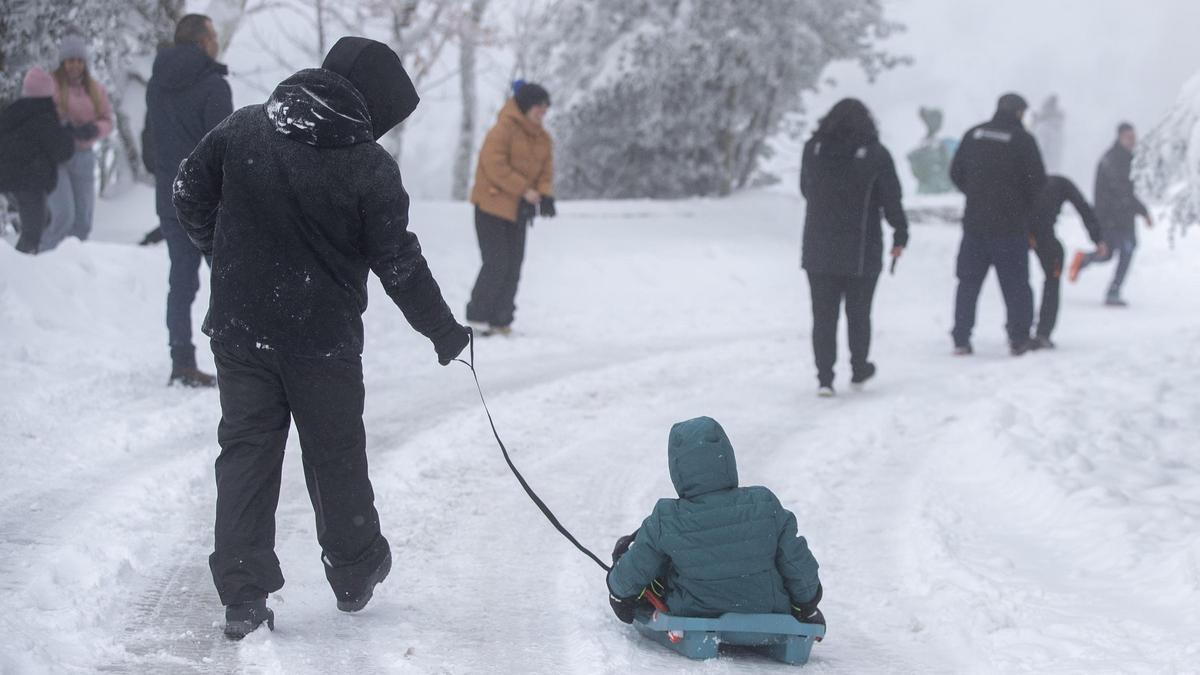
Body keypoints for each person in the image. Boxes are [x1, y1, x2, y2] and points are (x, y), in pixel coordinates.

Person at [173, 36, 471, 639]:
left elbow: (187, 191)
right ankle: (354, 568)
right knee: (334, 454)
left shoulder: (244, 129)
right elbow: (400, 265)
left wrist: (225, 260)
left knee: (247, 454)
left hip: (240, 329)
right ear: (373, 105)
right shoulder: (369, 168)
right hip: (321, 343)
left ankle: (243, 595)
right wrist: (444, 332)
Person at [606, 417, 824, 629]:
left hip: (692, 613)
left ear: (677, 468)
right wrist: (807, 606)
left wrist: (618, 595)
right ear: (727, 458)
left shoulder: (668, 517)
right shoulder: (764, 504)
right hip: (767, 609)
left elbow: (631, 573)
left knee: (658, 563)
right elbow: (797, 562)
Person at [801, 98, 908, 397]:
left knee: (823, 316)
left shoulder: (814, 149)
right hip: (862, 249)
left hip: (818, 248)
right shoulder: (875, 154)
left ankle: (824, 378)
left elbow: (805, 189)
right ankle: (859, 369)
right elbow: (891, 200)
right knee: (859, 314)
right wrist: (900, 235)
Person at [146, 14, 233, 387]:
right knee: (230, 279)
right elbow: (224, 148)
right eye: (213, 35)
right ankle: (237, 359)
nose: (216, 42)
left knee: (180, 280)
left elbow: (150, 142)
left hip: (170, 194)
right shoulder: (214, 85)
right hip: (210, 200)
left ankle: (181, 361)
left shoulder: (156, 84)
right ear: (202, 41)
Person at [949, 93, 1046, 356]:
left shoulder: (974, 134)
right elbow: (1037, 182)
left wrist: (976, 193)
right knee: (1016, 286)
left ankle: (961, 337)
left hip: (975, 225)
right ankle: (1019, 338)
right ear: (1018, 113)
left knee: (967, 284)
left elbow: (955, 172)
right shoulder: (1022, 140)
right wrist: (1021, 207)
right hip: (1010, 227)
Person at [465, 81, 555, 337]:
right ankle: (478, 316)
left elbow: (546, 170)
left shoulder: (543, 138)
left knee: (514, 264)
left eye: (545, 109)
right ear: (526, 106)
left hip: (518, 210)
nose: (542, 113)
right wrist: (525, 189)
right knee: (496, 262)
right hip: (491, 206)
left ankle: (501, 319)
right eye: (539, 107)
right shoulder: (503, 129)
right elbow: (494, 165)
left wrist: (546, 194)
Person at [41, 34, 113, 250]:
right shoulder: (51, 85)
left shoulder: (95, 89)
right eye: (71, 60)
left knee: (83, 220)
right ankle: (42, 260)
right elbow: (40, 117)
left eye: (79, 61)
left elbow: (108, 120)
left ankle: (73, 266)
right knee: (64, 215)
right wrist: (62, 127)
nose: (75, 65)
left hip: (84, 156)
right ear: (63, 62)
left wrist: (93, 129)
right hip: (58, 157)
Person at [1068, 123, 1152, 307]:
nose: (1133, 141)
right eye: (1129, 137)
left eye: (1133, 137)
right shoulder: (1112, 160)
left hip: (1122, 216)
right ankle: (1113, 291)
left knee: (1112, 253)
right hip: (1110, 217)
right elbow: (1121, 192)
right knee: (1120, 251)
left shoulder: (1127, 158)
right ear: (1120, 137)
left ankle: (1085, 260)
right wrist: (1142, 210)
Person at [0, 68, 75, 254]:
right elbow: (62, 151)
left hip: (9, 180)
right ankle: (19, 269)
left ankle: (32, 265)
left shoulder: (14, 111)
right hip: (29, 181)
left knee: (44, 220)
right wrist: (69, 132)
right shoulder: (45, 116)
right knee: (33, 232)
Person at [1030, 175, 1105, 348]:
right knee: (1051, 278)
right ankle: (1042, 332)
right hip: (1038, 235)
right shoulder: (1060, 184)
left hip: (1017, 233)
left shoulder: (1027, 180)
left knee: (1018, 280)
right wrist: (1098, 238)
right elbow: (1083, 208)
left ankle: (1018, 331)